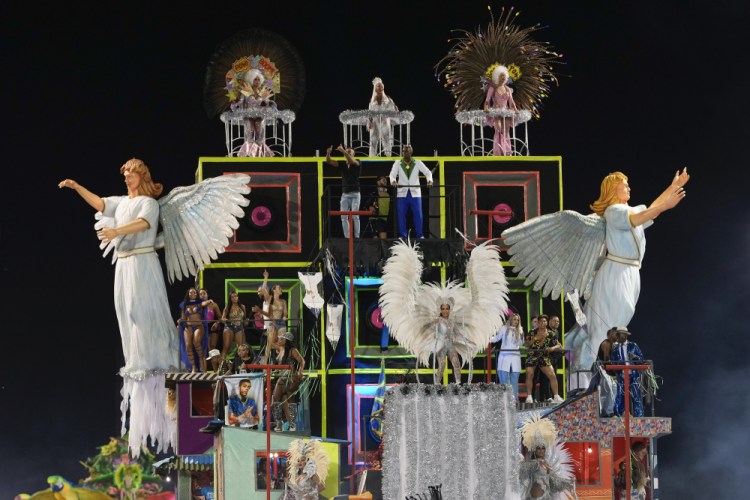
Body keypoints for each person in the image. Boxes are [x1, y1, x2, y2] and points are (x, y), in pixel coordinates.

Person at [58, 159, 179, 454]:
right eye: (124, 174)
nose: (126, 177)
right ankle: (137, 359)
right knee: (125, 313)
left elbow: (143, 224)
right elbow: (100, 204)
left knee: (142, 311)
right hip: (124, 266)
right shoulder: (122, 202)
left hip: (142, 261)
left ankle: (160, 365)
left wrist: (116, 233)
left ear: (142, 176)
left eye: (130, 173)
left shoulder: (149, 203)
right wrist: (76, 187)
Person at [564, 169, 690, 377]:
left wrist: (673, 186)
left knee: (619, 322)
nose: (629, 187)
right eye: (625, 184)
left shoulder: (628, 210)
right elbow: (643, 216)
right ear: (614, 189)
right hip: (616, 272)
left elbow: (651, 210)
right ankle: (581, 376)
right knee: (603, 328)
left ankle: (594, 372)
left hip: (631, 272)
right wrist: (666, 205)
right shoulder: (614, 211)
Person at [518, 414, 576, 500]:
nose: (541, 450)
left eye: (543, 448)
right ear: (534, 450)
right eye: (538, 448)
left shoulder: (547, 465)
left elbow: (555, 483)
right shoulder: (533, 464)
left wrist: (568, 483)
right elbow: (520, 469)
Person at [388, 144, 433, 239]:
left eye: (407, 150)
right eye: (404, 151)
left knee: (418, 215)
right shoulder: (397, 163)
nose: (405, 152)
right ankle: (402, 236)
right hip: (402, 193)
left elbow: (428, 172)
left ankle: (420, 235)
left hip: (415, 192)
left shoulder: (418, 162)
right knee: (401, 215)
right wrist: (393, 181)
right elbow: (392, 174)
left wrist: (429, 180)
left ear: (411, 152)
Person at [230, 68, 275, 157]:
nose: (257, 81)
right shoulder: (246, 91)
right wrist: (234, 104)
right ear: (251, 80)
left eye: (258, 79)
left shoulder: (263, 92)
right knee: (250, 132)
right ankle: (249, 155)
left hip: (260, 116)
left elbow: (267, 105)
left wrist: (268, 104)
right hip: (248, 115)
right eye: (255, 79)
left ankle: (260, 154)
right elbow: (240, 103)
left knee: (260, 132)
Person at [524, 315, 564, 404]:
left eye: (545, 321)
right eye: (541, 321)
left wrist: (552, 348)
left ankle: (556, 396)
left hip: (544, 356)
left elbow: (559, 345)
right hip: (532, 355)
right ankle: (529, 397)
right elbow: (527, 344)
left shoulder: (550, 333)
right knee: (529, 374)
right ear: (538, 323)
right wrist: (535, 338)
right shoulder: (532, 332)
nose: (543, 323)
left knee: (552, 375)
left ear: (547, 322)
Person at [325, 144, 362, 238]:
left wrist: (343, 151)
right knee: (343, 216)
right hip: (345, 194)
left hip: (355, 193)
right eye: (347, 151)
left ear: (354, 154)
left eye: (350, 151)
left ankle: (357, 237)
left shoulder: (357, 162)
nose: (348, 152)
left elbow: (350, 160)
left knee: (354, 215)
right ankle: (347, 237)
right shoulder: (342, 164)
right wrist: (328, 153)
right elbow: (328, 161)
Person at [272, 331, 305, 432]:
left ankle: (292, 425)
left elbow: (302, 361)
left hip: (291, 378)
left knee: (291, 401)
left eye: (282, 339)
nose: (280, 340)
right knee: (275, 398)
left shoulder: (292, 350)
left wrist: (300, 370)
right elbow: (272, 342)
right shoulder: (281, 350)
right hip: (282, 377)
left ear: (287, 341)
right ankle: (279, 422)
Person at [610, 326, 646, 417]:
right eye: (617, 334)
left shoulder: (633, 346)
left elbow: (642, 359)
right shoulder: (614, 349)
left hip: (633, 375)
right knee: (620, 395)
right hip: (621, 375)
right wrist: (617, 366)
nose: (617, 336)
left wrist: (636, 358)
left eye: (619, 334)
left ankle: (639, 416)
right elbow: (613, 363)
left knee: (636, 395)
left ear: (625, 335)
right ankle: (618, 414)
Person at [483, 64, 518, 156]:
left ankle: (507, 151)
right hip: (496, 112)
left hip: (505, 112)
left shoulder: (508, 89)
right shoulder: (492, 88)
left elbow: (511, 101)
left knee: (506, 131)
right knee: (498, 129)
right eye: (501, 76)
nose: (503, 78)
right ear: (497, 77)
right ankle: (498, 151)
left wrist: (515, 109)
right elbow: (487, 101)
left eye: (504, 76)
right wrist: (486, 107)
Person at [489, 313, 525, 399]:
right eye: (514, 319)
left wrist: (521, 335)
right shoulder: (504, 328)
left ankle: (515, 399)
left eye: (517, 320)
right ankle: (505, 398)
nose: (516, 321)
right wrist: (487, 339)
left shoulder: (520, 329)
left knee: (515, 378)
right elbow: (497, 338)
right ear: (511, 319)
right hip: (505, 356)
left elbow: (520, 343)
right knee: (504, 378)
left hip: (515, 356)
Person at [253, 281, 288, 364]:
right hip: (272, 322)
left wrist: (285, 316)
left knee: (281, 342)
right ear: (274, 290)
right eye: (279, 288)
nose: (281, 289)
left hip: (281, 323)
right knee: (270, 343)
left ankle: (280, 365)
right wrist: (265, 278)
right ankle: (265, 363)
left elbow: (285, 313)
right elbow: (264, 289)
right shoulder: (270, 298)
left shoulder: (283, 301)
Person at [179, 287, 208, 373]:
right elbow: (183, 317)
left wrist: (209, 301)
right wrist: (180, 322)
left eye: (194, 292)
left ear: (197, 294)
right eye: (191, 293)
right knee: (188, 346)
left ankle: (201, 362)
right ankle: (193, 367)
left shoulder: (200, 302)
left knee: (196, 341)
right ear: (188, 294)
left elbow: (204, 303)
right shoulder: (184, 304)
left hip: (198, 326)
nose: (192, 294)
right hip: (188, 327)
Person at [368, 77, 398, 157]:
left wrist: (388, 115)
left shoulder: (388, 99)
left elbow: (394, 110)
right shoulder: (372, 100)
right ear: (375, 88)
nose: (380, 87)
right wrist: (370, 122)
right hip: (375, 123)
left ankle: (388, 157)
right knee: (373, 140)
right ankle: (372, 158)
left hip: (385, 122)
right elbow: (370, 112)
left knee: (387, 140)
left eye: (381, 86)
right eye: (378, 86)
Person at [220, 291, 249, 364]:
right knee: (226, 347)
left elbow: (245, 320)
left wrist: (246, 321)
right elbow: (222, 319)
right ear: (230, 298)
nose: (234, 298)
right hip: (229, 326)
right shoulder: (228, 307)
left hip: (239, 327)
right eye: (232, 297)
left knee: (241, 348)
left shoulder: (242, 306)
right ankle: (221, 368)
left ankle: (241, 366)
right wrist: (227, 320)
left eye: (236, 296)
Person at [200, 288, 223, 357]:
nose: (202, 295)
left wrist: (217, 323)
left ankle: (217, 366)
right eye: (200, 294)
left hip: (212, 327)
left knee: (212, 347)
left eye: (204, 293)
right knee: (203, 347)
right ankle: (203, 367)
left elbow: (220, 317)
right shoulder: (197, 305)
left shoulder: (214, 305)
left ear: (207, 295)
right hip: (202, 327)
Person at [367, 175, 391, 239]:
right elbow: (366, 205)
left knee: (384, 239)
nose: (385, 181)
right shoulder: (374, 193)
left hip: (385, 219)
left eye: (386, 180)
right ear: (378, 182)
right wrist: (370, 207)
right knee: (377, 239)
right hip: (376, 218)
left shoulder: (389, 193)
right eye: (383, 179)